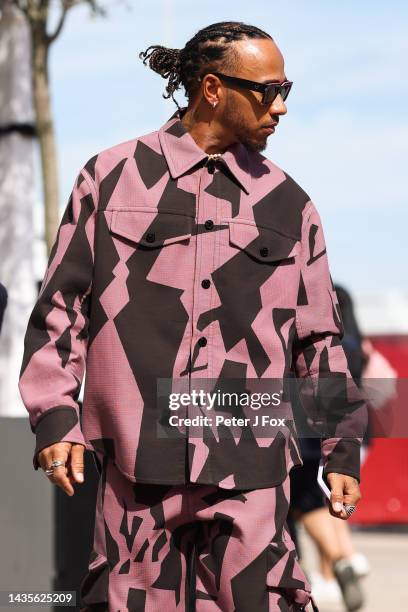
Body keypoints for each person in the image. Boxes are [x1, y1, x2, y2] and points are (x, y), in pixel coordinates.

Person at [18, 21, 367, 611]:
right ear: (211, 88)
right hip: (134, 470)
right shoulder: (109, 179)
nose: (280, 106)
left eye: (288, 89)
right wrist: (55, 416)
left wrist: (341, 449)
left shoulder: (291, 205)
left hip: (250, 469)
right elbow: (61, 306)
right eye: (268, 89)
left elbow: (320, 341)